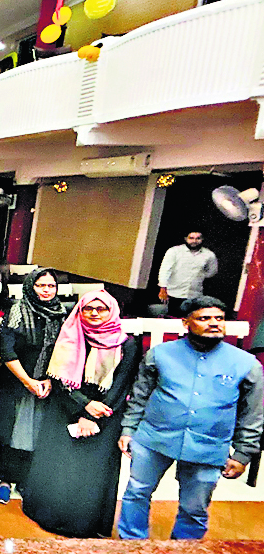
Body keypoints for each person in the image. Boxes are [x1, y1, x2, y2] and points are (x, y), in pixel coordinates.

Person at [118, 296, 263, 540]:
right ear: (186, 323)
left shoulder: (246, 364)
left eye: (219, 318)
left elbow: (253, 413)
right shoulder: (160, 354)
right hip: (154, 438)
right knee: (137, 493)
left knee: (194, 508)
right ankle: (132, 543)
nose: (214, 323)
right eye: (204, 318)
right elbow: (140, 395)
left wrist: (243, 453)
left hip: (208, 446)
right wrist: (128, 429)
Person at [22, 290, 141, 538]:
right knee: (59, 465)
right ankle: (48, 515)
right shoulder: (70, 335)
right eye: (88, 309)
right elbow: (57, 377)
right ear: (80, 311)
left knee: (92, 471)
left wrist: (93, 415)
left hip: (106, 412)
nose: (94, 313)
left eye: (101, 309)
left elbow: (122, 384)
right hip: (65, 407)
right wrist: (83, 405)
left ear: (112, 311)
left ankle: (85, 523)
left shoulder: (127, 344)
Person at [0, 268, 67, 504]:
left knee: (38, 433)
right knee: (14, 431)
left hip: (48, 384)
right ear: (30, 286)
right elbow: (6, 349)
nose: (46, 290)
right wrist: (28, 381)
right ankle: (5, 479)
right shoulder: (17, 310)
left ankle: (25, 479)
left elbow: (65, 351)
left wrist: (50, 379)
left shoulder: (61, 313)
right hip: (18, 381)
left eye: (51, 286)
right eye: (40, 285)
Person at [158, 231, 218, 318]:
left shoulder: (209, 255)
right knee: (172, 319)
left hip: (195, 295)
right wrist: (163, 288)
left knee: (191, 319)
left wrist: (199, 276)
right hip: (174, 293)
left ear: (202, 239)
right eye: (191, 238)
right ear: (186, 239)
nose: (194, 241)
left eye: (198, 238)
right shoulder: (174, 251)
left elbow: (212, 272)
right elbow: (165, 270)